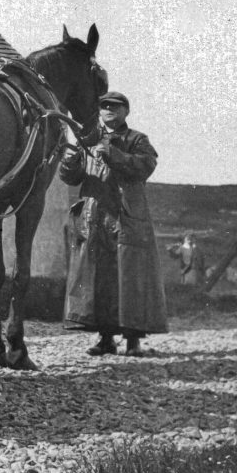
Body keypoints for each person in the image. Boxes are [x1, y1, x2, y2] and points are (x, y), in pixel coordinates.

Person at [62, 90, 168, 357]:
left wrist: (113, 154)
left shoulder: (136, 139)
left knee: (130, 279)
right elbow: (71, 177)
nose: (109, 109)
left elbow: (146, 166)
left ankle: (133, 341)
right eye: (104, 106)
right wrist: (70, 161)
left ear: (126, 111)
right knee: (99, 279)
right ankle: (105, 338)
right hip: (94, 216)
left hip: (126, 217)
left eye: (115, 106)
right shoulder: (88, 140)